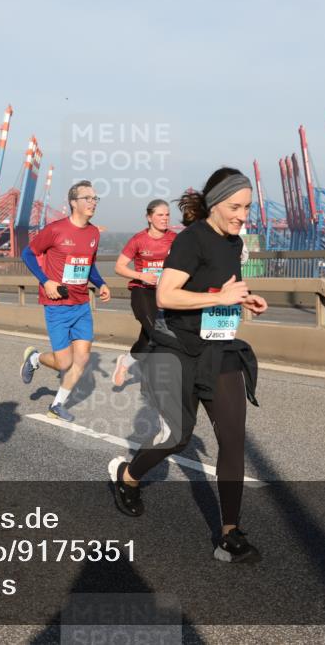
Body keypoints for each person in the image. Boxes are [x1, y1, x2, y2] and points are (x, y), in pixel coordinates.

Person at [107, 167, 269, 564]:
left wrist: (243, 299)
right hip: (177, 350)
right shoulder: (191, 241)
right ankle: (129, 476)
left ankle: (229, 534)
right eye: (235, 206)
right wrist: (218, 299)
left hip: (218, 349)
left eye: (247, 208)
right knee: (178, 436)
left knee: (232, 440)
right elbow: (166, 295)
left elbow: (217, 289)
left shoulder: (234, 242)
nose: (242, 215)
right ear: (215, 203)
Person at [19, 180, 111, 422]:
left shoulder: (93, 233)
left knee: (82, 359)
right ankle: (35, 358)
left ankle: (56, 405)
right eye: (87, 198)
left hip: (81, 305)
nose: (93, 203)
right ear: (73, 202)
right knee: (64, 362)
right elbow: (27, 253)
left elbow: (88, 266)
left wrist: (100, 283)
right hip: (57, 305)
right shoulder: (56, 229)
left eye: (95, 199)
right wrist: (45, 281)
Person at [111, 199, 177, 387]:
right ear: (149, 217)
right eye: (160, 215)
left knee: (147, 340)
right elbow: (119, 267)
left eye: (167, 215)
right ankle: (159, 380)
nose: (165, 218)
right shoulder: (139, 239)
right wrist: (141, 275)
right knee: (157, 333)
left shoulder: (174, 238)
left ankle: (125, 362)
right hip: (142, 292)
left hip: (165, 294)